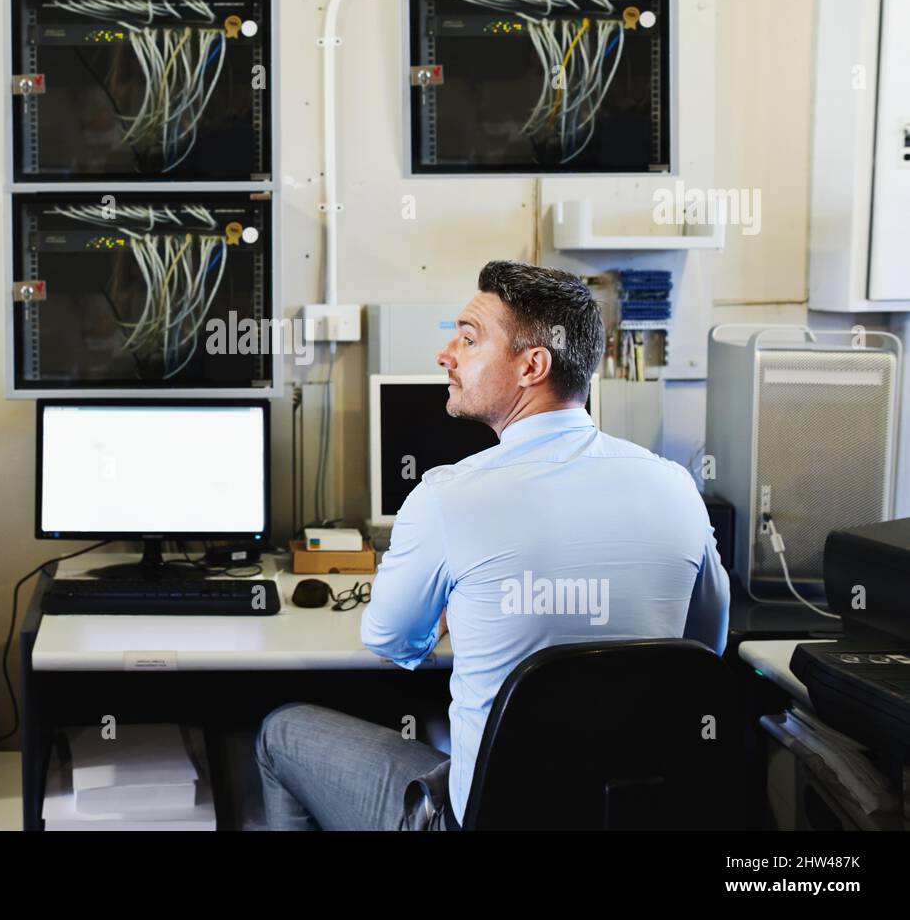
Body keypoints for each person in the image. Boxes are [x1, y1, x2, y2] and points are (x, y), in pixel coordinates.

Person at [256, 260, 730, 831]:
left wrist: (460, 612)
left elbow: (391, 642)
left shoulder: (447, 497)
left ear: (532, 365)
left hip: (480, 821)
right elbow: (704, 649)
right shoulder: (676, 485)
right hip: (626, 813)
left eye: (468, 338)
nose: (445, 354)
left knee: (279, 731)